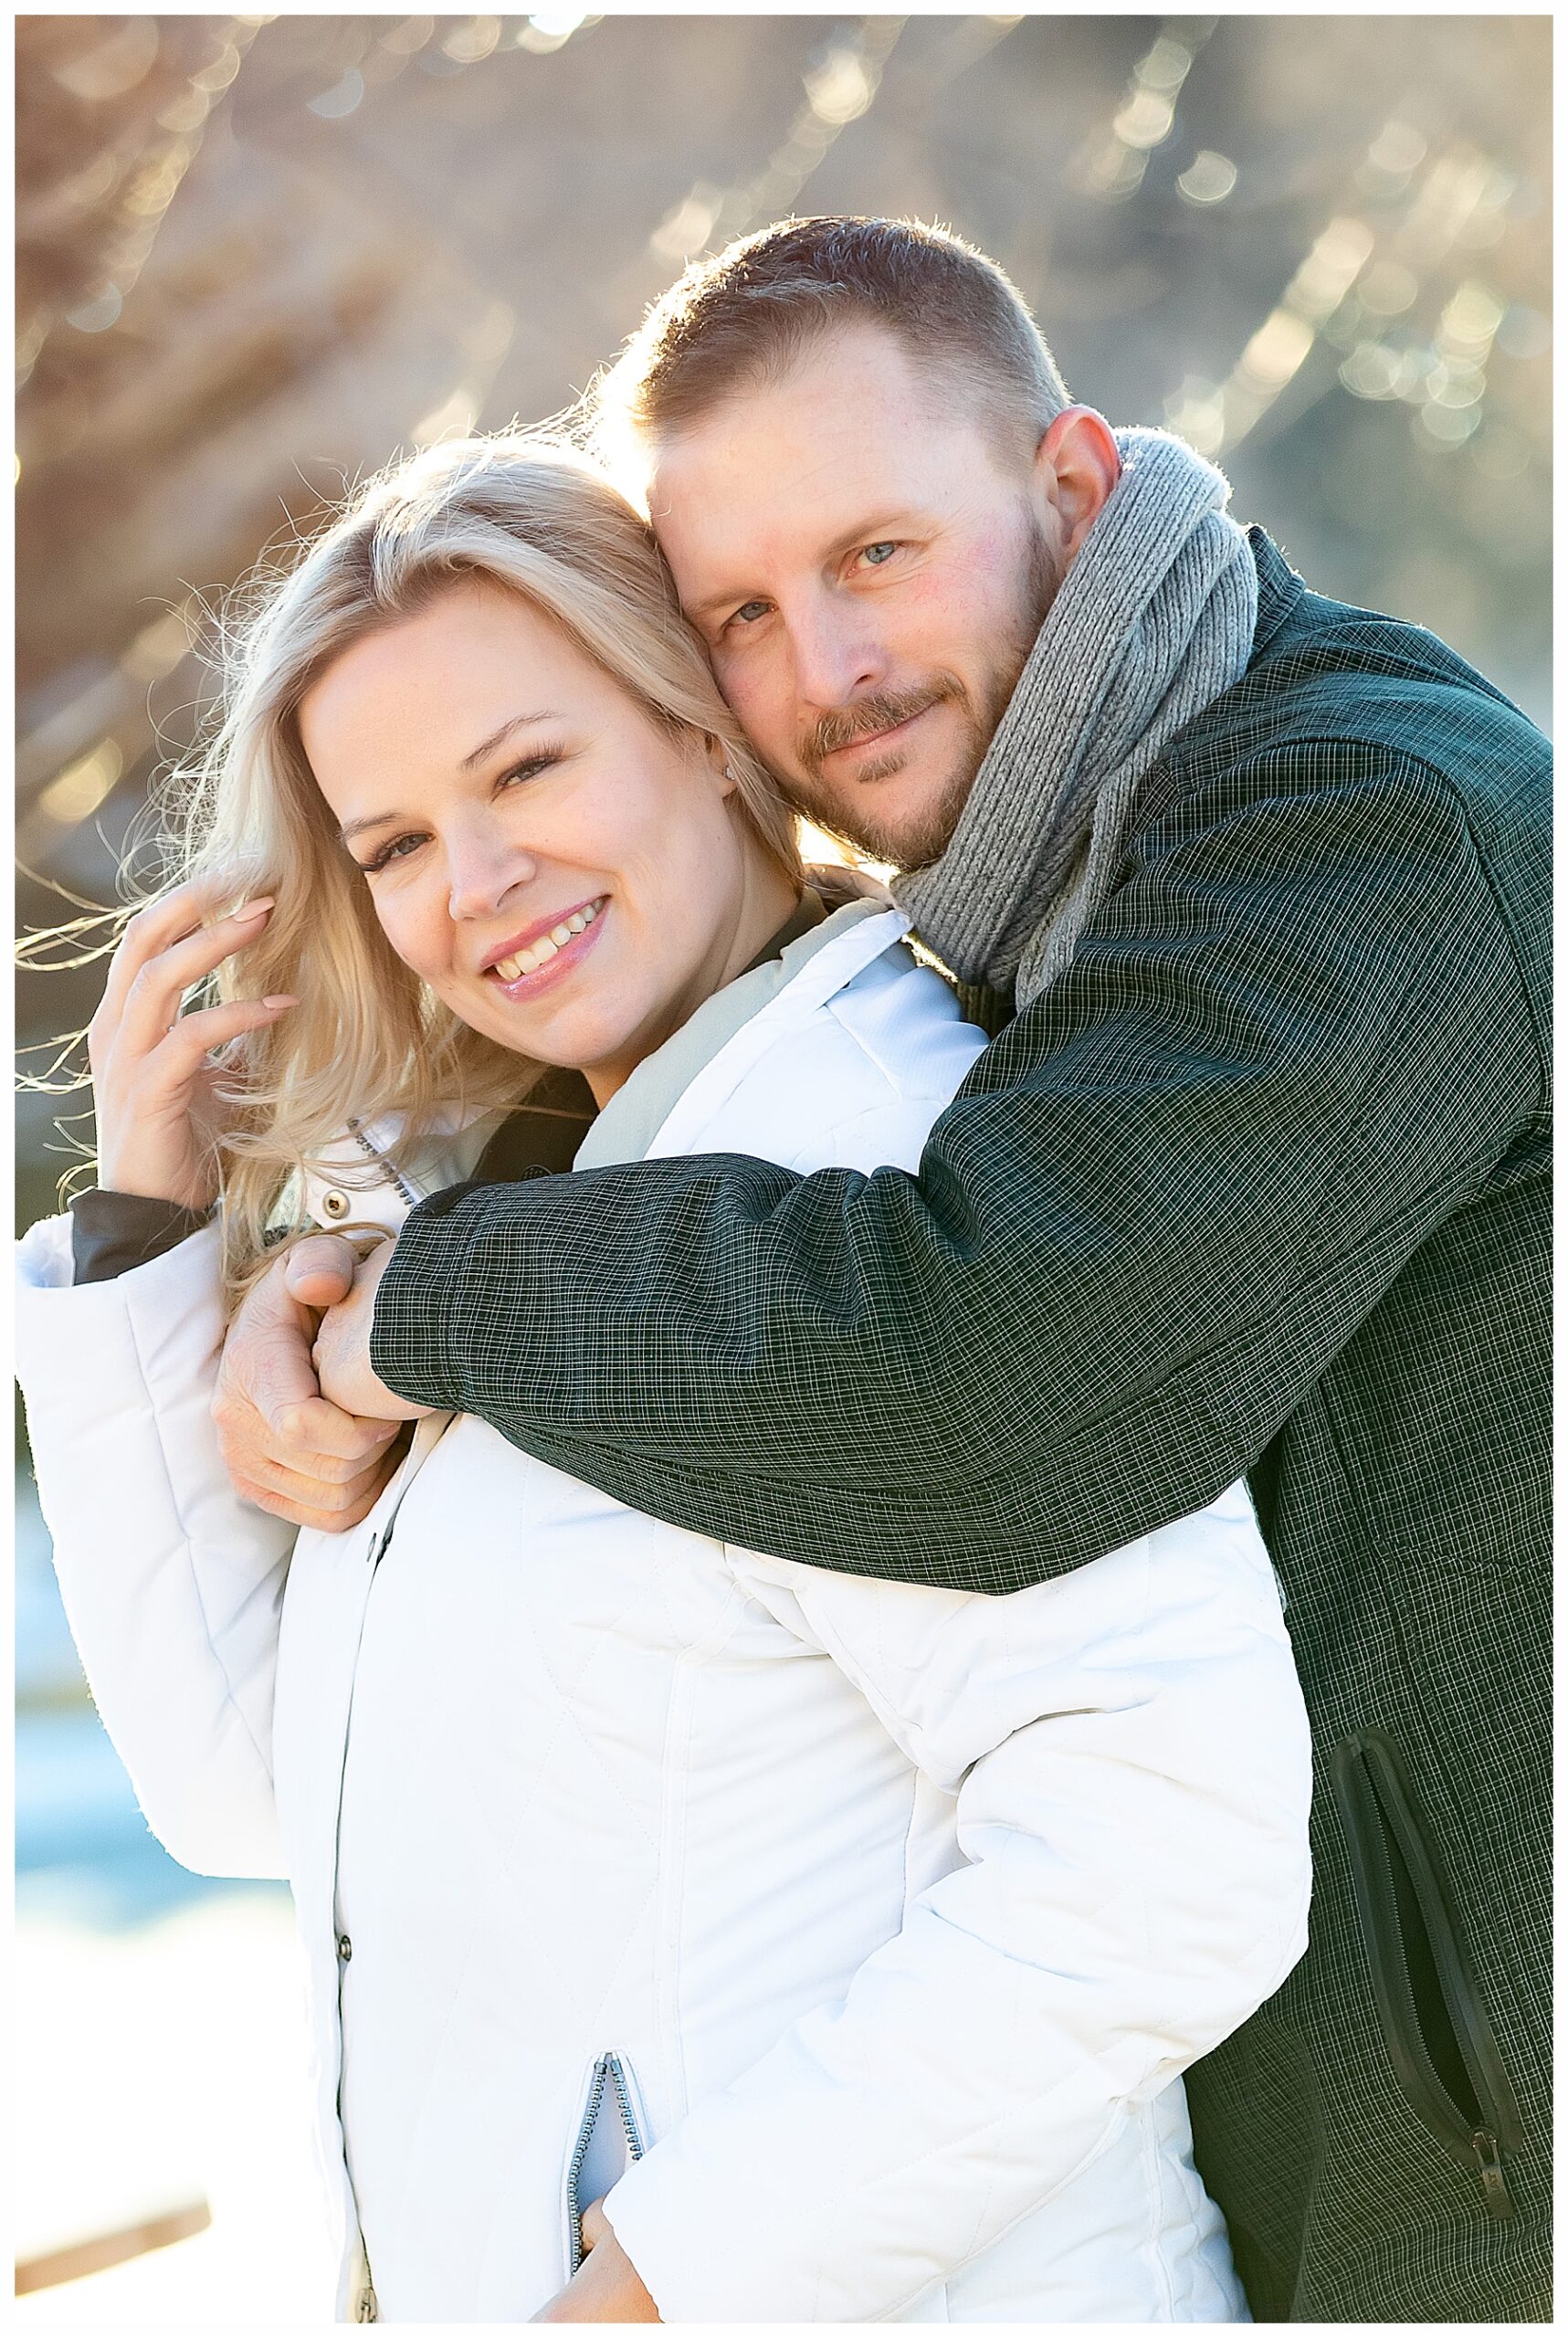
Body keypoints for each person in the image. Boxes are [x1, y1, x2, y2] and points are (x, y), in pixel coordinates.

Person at [214, 218, 1551, 2324]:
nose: (819, 674)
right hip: (1338, 2127)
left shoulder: (1354, 814)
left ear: (1074, 486)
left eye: (876, 556)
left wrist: (435, 1295)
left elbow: (992, 1368)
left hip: (1489, 2158)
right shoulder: (1046, 886)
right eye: (740, 609)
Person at [15, 436, 1313, 2324]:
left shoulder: (872, 1162)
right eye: (386, 844)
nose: (469, 883)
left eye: (524, 767)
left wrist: (657, 2278)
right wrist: (144, 1223)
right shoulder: (508, 1233)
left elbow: (1162, 1855)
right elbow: (257, 1787)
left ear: (701, 728)